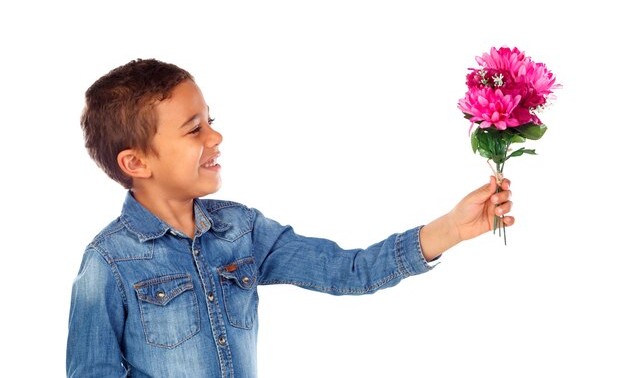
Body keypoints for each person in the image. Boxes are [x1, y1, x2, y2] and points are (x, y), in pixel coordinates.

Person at [67, 58, 514, 377]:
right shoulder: (109, 261)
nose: (216, 135)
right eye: (194, 128)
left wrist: (452, 227)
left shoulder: (241, 231)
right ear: (136, 163)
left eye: (210, 120)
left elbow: (348, 270)